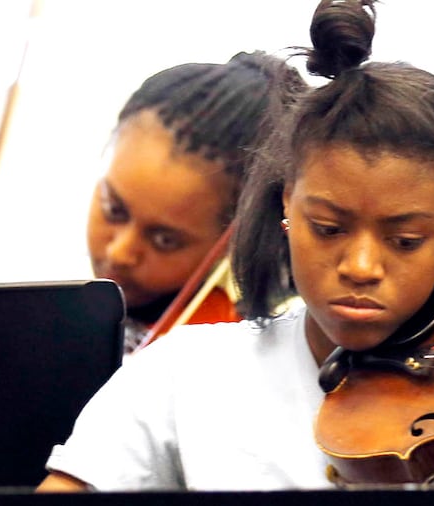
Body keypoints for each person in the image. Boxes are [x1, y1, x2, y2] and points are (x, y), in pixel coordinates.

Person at [37, 0, 434, 492]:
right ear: (286, 207)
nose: (361, 267)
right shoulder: (180, 375)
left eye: (405, 240)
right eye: (328, 228)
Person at [88, 50, 305, 354]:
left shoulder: (211, 355)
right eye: (114, 210)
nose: (120, 252)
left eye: (164, 239)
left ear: (236, 239)